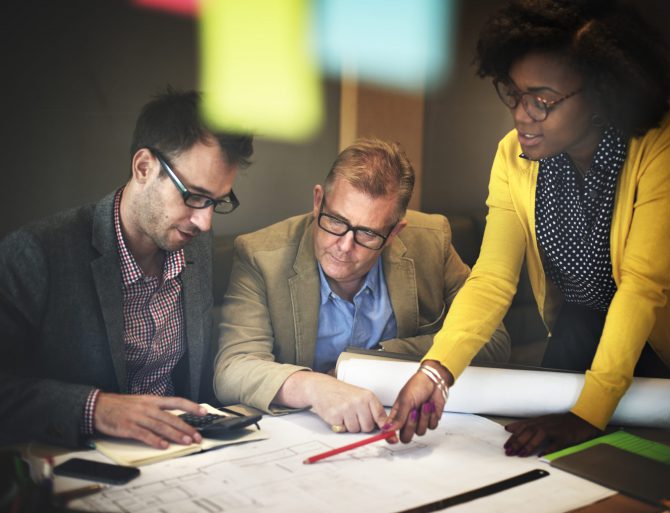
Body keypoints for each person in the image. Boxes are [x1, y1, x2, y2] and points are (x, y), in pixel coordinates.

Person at [386, 0, 670, 454]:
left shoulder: (668, 132)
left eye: (542, 101)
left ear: (602, 92)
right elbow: (493, 279)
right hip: (581, 331)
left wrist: (588, 412)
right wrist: (436, 370)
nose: (521, 115)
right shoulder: (512, 156)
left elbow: (642, 285)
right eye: (513, 94)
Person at [0, 88, 253, 449]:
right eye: (194, 196)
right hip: (79, 464)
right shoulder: (37, 253)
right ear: (144, 168)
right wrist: (95, 408)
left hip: (183, 455)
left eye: (217, 201)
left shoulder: (193, 242)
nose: (206, 222)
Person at [214, 138, 510, 433]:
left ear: (394, 231)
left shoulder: (432, 241)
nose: (344, 246)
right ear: (318, 201)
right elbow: (233, 368)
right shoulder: (260, 256)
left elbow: (494, 340)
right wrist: (315, 387)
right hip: (307, 433)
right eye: (335, 221)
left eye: (367, 233)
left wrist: (369, 364)